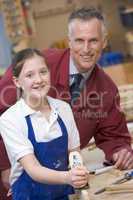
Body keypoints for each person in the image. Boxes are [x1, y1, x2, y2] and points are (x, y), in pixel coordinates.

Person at [0, 8, 133, 193]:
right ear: (69, 41)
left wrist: (120, 151)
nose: (86, 49)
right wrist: (4, 166)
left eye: (93, 40)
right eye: (79, 40)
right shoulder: (37, 66)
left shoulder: (107, 88)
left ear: (104, 42)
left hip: (65, 183)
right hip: (17, 184)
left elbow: (114, 134)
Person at [0, 48, 89, 200]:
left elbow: (74, 154)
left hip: (62, 195)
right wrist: (68, 177)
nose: (39, 80)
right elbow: (33, 169)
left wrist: (79, 175)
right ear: (17, 81)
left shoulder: (63, 109)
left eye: (43, 72)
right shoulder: (10, 119)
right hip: (29, 196)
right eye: (29, 75)